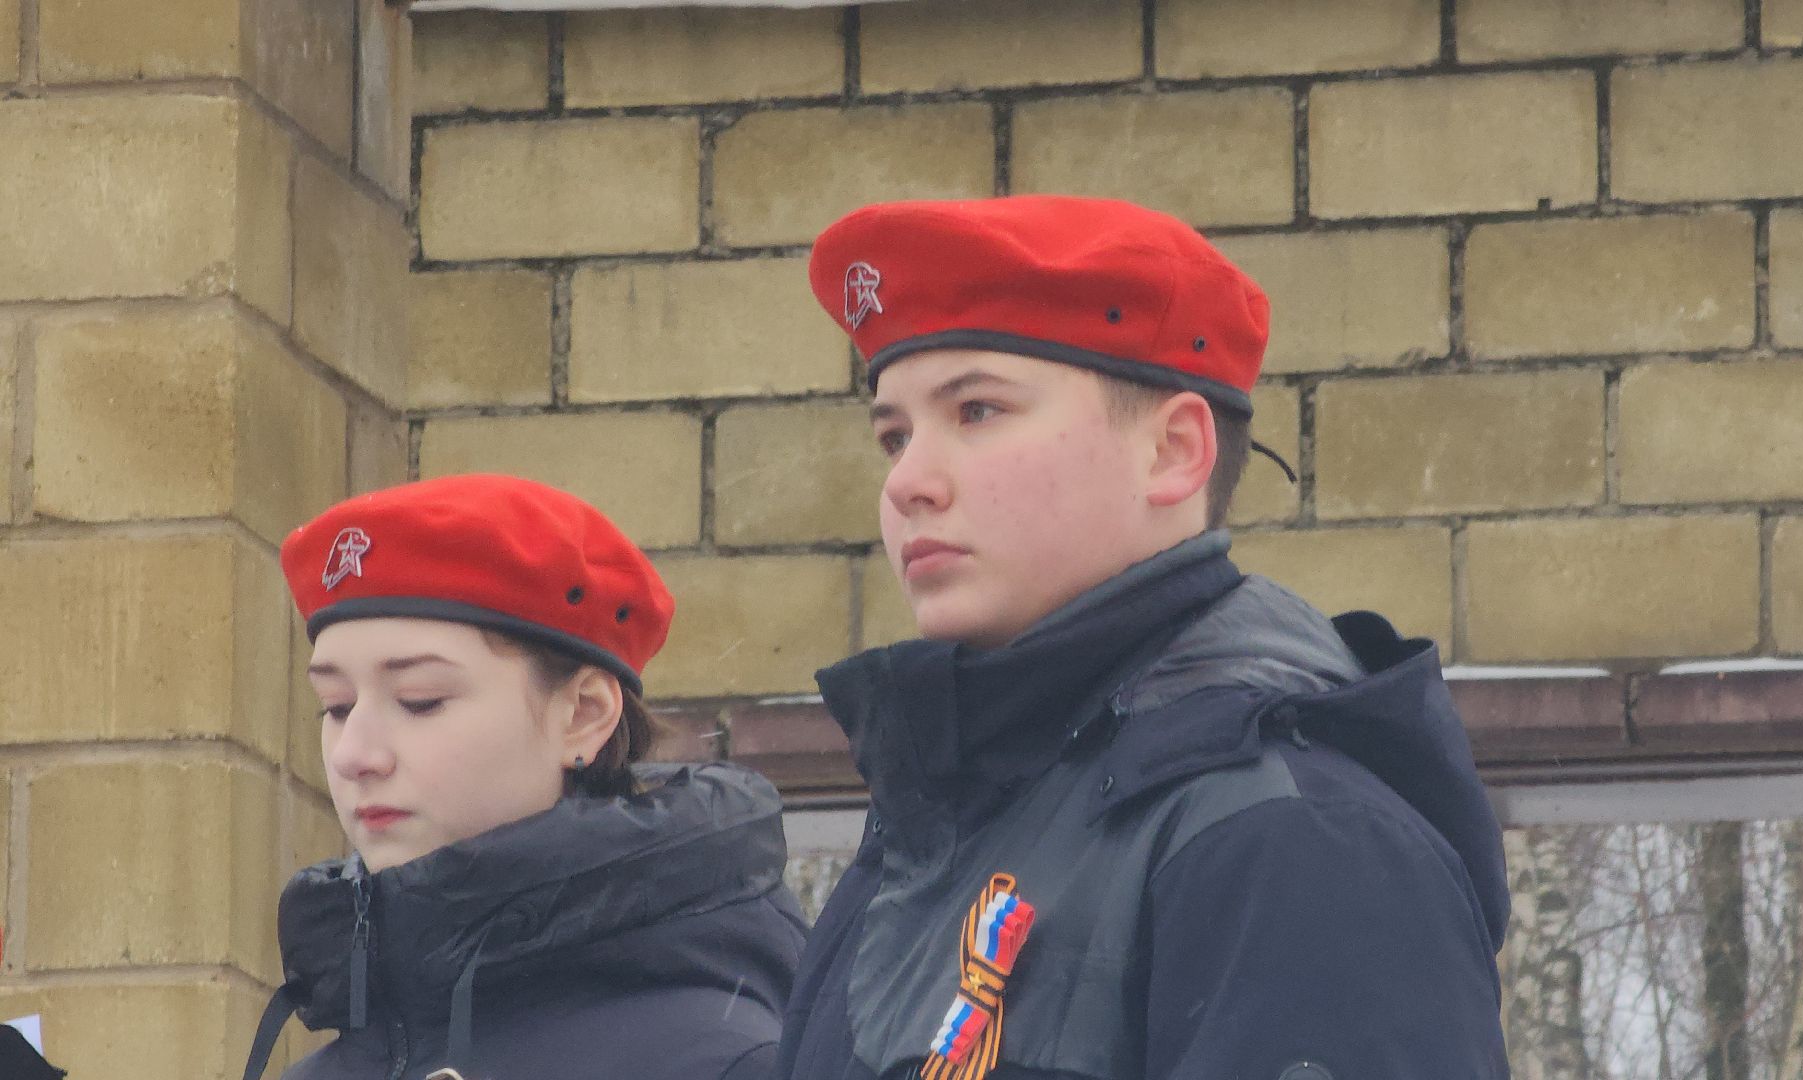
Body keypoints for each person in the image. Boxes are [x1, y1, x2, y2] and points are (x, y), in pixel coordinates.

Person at [775, 196, 1512, 1080]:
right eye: (894, 435)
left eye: (975, 411)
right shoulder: (936, 830)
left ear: (1172, 453)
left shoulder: (1292, 841)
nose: (907, 483)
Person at [241, 474, 805, 1080]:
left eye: (420, 699)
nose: (355, 754)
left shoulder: (730, 1062)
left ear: (584, 714)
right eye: (337, 706)